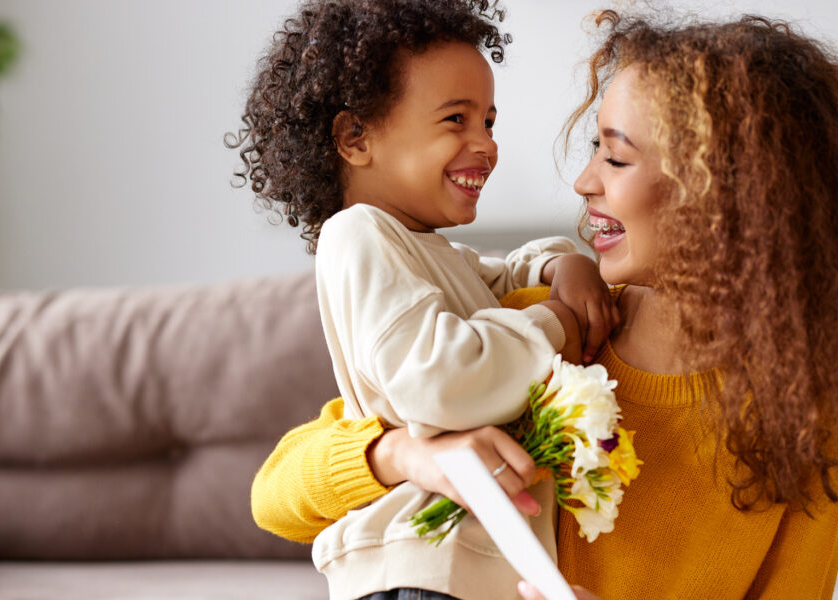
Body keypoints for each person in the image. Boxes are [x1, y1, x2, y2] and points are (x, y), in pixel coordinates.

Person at [250, 10, 838, 600]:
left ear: (725, 195)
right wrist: (405, 456)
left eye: (616, 158)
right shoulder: (550, 332)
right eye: (594, 148)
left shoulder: (812, 423)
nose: (584, 182)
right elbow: (277, 492)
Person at [229, 1, 619, 599]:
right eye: (455, 120)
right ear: (354, 137)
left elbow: (506, 274)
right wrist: (557, 321)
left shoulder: (430, 252)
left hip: (468, 571)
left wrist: (559, 262)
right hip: (417, 569)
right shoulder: (359, 235)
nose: (485, 144)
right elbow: (441, 381)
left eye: (488, 121)